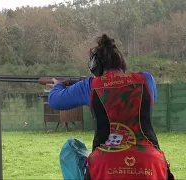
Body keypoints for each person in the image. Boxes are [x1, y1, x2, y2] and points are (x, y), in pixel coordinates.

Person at [47, 34, 174, 180]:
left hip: (105, 165)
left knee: (71, 147)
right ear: (122, 64)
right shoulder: (146, 80)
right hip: (151, 163)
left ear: (95, 67)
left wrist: (58, 86)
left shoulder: (91, 86)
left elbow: (55, 101)